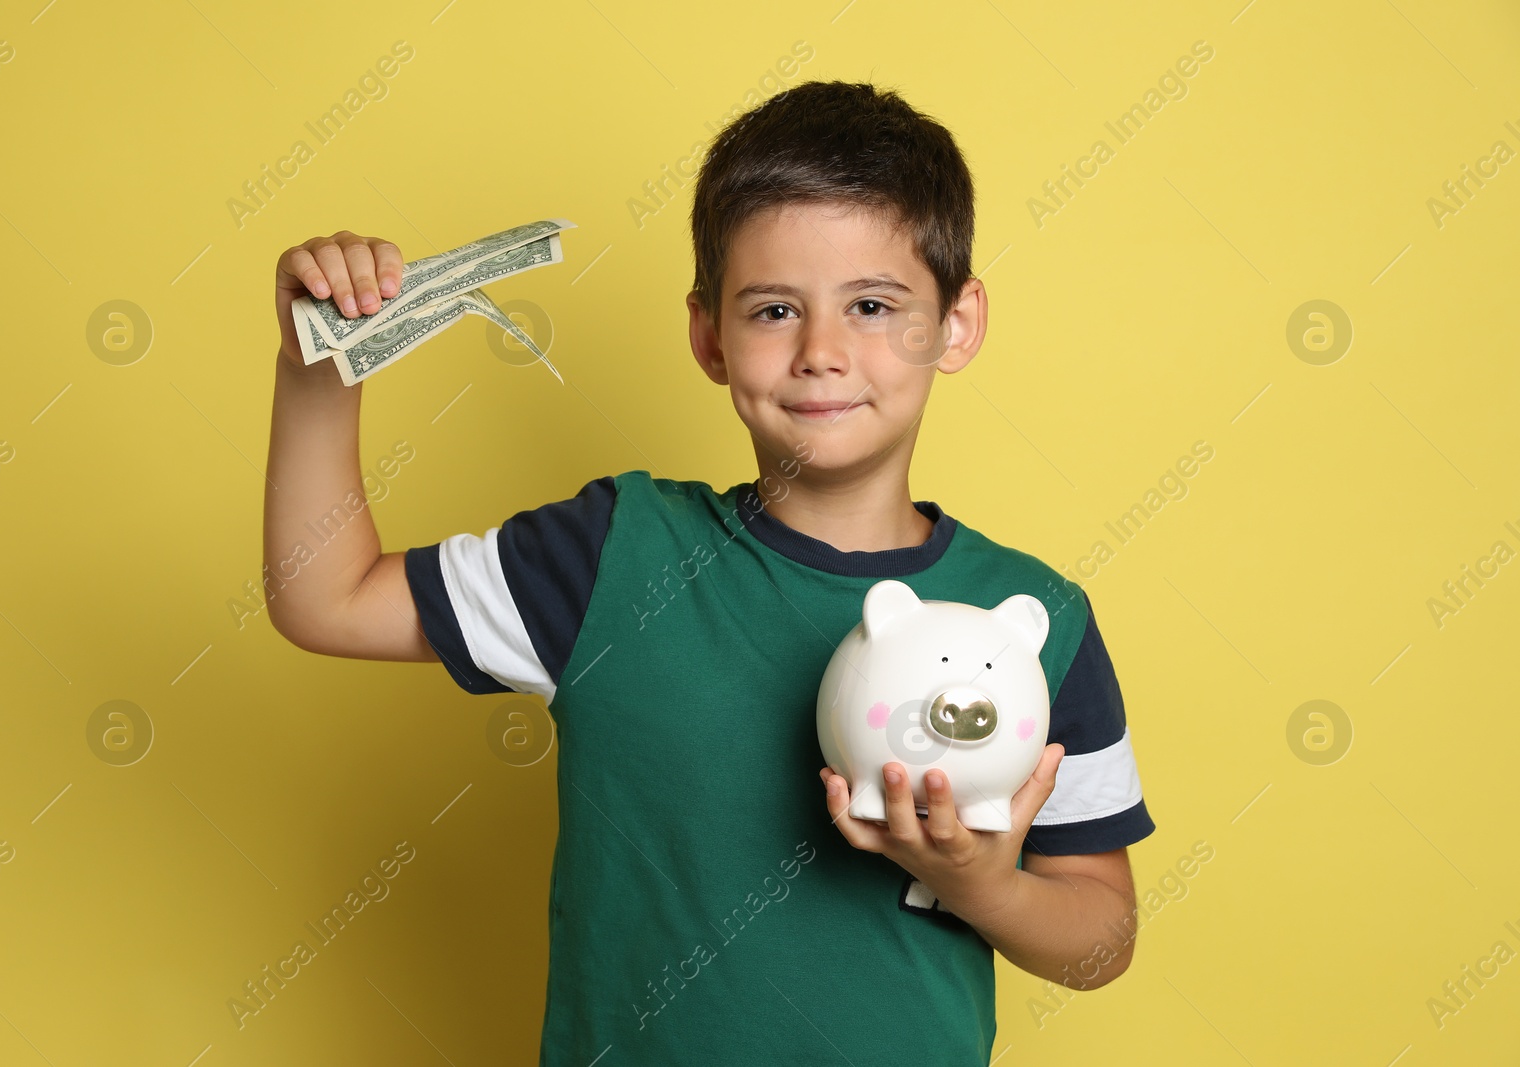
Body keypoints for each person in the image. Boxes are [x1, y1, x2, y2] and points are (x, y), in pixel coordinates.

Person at [264, 79, 1155, 1064]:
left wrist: (981, 880)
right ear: (707, 337)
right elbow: (324, 596)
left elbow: (1099, 942)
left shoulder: (1034, 621)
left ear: (955, 321)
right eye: (774, 309)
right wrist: (319, 364)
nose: (821, 352)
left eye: (871, 304)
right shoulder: (612, 554)